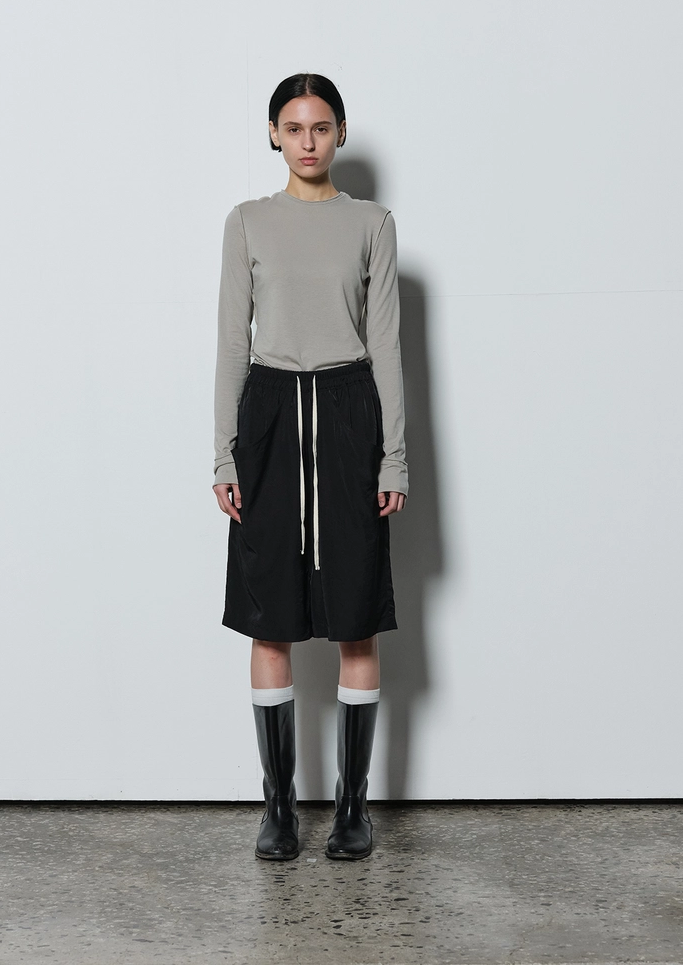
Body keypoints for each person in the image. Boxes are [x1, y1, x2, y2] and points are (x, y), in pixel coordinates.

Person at [212, 73, 408, 861]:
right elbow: (232, 342)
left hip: (349, 406)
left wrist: (393, 458)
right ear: (272, 134)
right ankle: (280, 810)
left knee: (355, 615)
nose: (307, 140)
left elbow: (385, 343)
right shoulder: (247, 222)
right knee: (271, 617)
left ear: (340, 133)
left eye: (320, 127)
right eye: (293, 127)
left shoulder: (372, 224)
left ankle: (353, 808)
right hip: (269, 412)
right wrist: (223, 452)